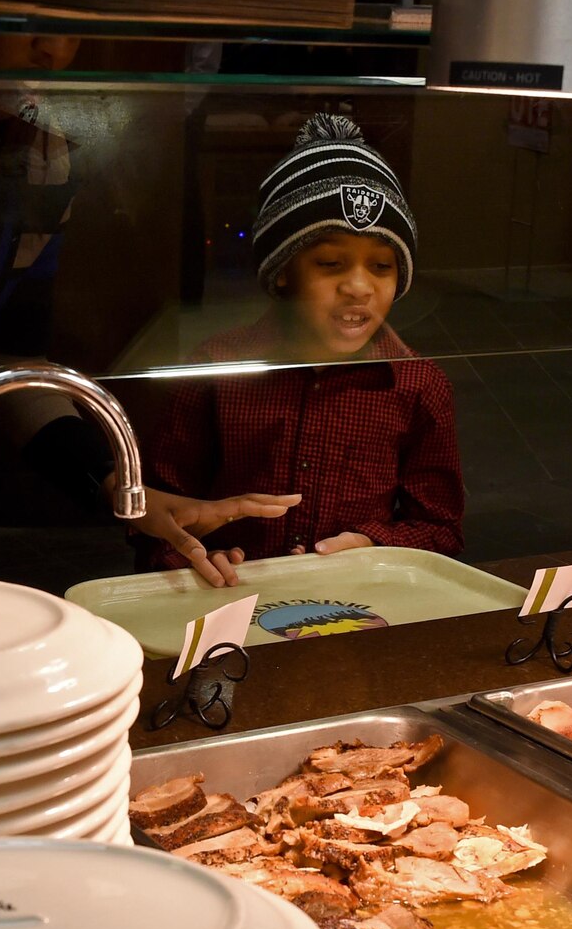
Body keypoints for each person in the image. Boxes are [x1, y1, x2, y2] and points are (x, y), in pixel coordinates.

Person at [138, 115, 463, 587]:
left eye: (381, 265)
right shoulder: (218, 369)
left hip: (355, 611)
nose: (358, 286)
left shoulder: (417, 383)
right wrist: (195, 558)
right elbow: (158, 515)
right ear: (284, 269)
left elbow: (440, 529)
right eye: (330, 263)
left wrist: (374, 544)